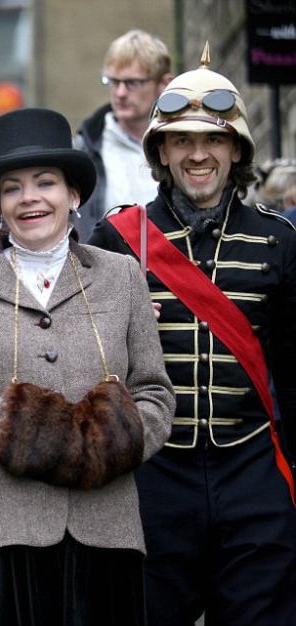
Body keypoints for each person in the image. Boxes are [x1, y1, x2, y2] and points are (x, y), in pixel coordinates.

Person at [0, 107, 175, 626]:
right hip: (6, 522)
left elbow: (155, 394)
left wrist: (108, 443)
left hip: (107, 523)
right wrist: (30, 431)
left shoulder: (121, 274)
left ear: (73, 195)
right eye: (13, 188)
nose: (29, 198)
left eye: (45, 183)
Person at [89, 46, 296, 626]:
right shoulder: (117, 239)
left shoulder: (279, 242)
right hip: (155, 479)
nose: (198, 154)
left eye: (213, 140)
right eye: (182, 140)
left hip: (252, 473)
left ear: (237, 151)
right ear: (161, 151)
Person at [74, 29, 173, 238]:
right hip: (105, 267)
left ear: (163, 84)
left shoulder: (180, 144)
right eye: (113, 82)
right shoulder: (86, 149)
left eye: (132, 83)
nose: (120, 93)